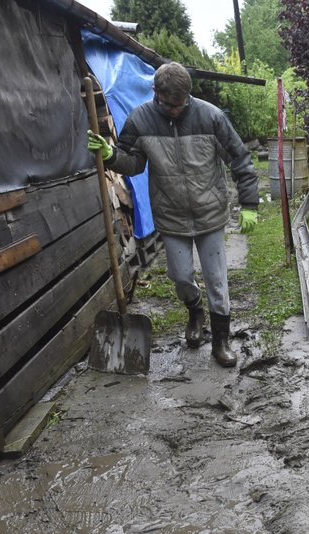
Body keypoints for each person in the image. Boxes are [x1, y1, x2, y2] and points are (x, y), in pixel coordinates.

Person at [87, 62, 259, 368]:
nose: (176, 111)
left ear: (188, 97)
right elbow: (133, 162)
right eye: (169, 105)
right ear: (155, 92)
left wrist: (249, 204)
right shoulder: (140, 119)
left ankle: (220, 341)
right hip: (171, 214)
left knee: (217, 281)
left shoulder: (211, 116)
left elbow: (239, 159)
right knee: (180, 277)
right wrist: (111, 156)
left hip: (209, 213)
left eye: (182, 105)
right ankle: (195, 310)